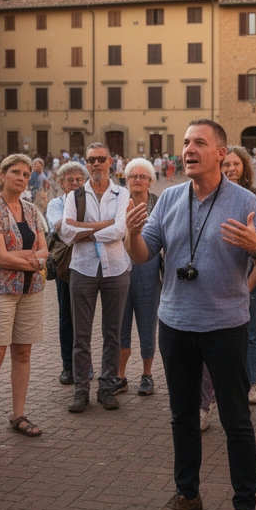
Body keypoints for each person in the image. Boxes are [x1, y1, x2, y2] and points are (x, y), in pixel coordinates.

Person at [126, 119, 256, 510]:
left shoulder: (245, 201)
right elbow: (142, 257)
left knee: (236, 422)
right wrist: (132, 232)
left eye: (199, 143)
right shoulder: (171, 198)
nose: (188, 149)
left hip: (225, 327)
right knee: (182, 416)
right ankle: (188, 494)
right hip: (174, 324)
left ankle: (245, 508)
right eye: (186, 142)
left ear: (219, 153)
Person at [0, 153, 49, 448]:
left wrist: (25, 258)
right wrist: (31, 259)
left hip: (31, 290)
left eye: (26, 174)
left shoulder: (31, 210)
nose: (21, 177)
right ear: (2, 175)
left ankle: (18, 415)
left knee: (23, 353)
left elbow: (45, 251)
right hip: (0, 291)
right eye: (15, 172)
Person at [60, 143, 131, 412]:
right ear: (86, 163)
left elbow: (120, 230)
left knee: (113, 333)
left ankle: (107, 386)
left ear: (111, 162)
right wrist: (104, 226)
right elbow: (66, 232)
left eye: (102, 159)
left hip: (116, 269)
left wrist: (85, 231)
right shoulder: (75, 196)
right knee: (81, 334)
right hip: (83, 269)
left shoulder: (121, 193)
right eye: (92, 160)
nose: (97, 164)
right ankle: (81, 389)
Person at [223, 145, 256, 405]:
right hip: (224, 274)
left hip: (253, 274)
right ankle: (226, 382)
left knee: (250, 332)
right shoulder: (216, 195)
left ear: (245, 167)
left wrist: (249, 284)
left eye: (235, 164)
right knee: (222, 333)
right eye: (226, 165)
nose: (230, 169)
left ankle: (250, 383)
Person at [119, 158, 160, 396]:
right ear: (126, 180)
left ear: (151, 181)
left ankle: (147, 375)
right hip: (121, 269)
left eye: (143, 177)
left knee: (147, 323)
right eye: (133, 176)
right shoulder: (119, 202)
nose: (138, 180)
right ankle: (120, 375)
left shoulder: (158, 203)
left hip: (149, 270)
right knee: (120, 324)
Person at [46, 161, 87, 384]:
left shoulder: (91, 201)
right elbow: (60, 225)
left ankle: (84, 365)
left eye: (79, 180)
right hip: (65, 265)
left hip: (88, 264)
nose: (74, 183)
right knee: (66, 316)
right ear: (61, 183)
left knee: (85, 317)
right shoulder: (55, 203)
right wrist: (94, 227)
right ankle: (68, 365)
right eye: (69, 180)